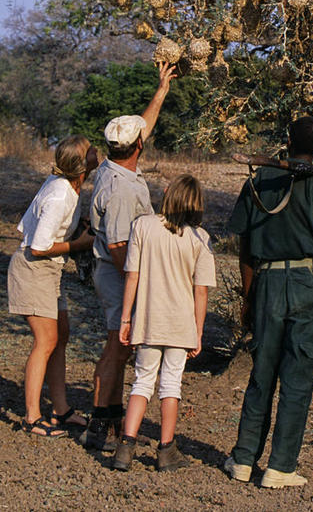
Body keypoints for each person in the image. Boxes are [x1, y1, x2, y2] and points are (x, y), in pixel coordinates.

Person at [224, 115, 313, 488]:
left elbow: (244, 243)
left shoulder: (260, 179)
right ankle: (280, 468)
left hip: (266, 281)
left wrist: (249, 297)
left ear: (287, 141)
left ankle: (243, 460)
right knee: (297, 376)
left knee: (261, 372)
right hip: (309, 282)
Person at [81, 61, 177, 451]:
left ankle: (107, 417)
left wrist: (161, 90)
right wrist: (139, 287)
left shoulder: (111, 164)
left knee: (116, 347)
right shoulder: (121, 189)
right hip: (116, 272)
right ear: (138, 146)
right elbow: (121, 248)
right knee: (117, 346)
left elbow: (142, 127)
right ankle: (101, 421)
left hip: (113, 270)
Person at [111, 173, 216, 472]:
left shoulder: (143, 226)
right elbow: (201, 290)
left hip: (148, 320)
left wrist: (125, 318)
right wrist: (198, 333)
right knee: (171, 385)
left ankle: (125, 446)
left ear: (169, 195)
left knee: (141, 382)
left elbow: (132, 274)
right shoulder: (200, 239)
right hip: (181, 326)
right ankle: (166, 449)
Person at [7, 135, 98, 437]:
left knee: (61, 335)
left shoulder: (64, 185)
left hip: (48, 272)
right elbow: (38, 245)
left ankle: (61, 409)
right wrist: (77, 244)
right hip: (34, 270)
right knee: (45, 341)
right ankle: (32, 417)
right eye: (91, 150)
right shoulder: (60, 194)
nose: (97, 151)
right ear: (83, 164)